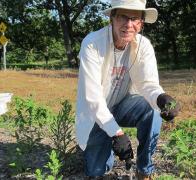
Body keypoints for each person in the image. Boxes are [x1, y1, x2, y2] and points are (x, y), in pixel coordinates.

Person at [75, 0, 180, 179]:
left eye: (135, 18)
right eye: (123, 16)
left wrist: (161, 98)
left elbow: (148, 84)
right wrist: (117, 134)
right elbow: (92, 98)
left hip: (122, 106)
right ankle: (95, 147)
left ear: (141, 23)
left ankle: (144, 170)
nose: (129, 24)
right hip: (95, 116)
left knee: (152, 110)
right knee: (98, 172)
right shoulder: (93, 44)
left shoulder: (143, 45)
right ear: (112, 19)